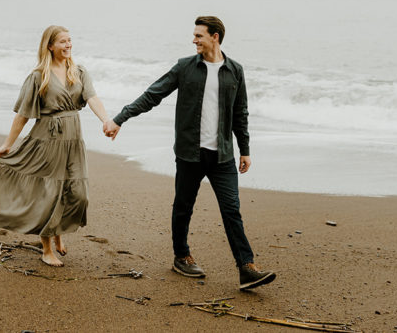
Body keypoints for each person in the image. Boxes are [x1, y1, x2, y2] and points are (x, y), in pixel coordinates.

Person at [102, 16, 276, 290]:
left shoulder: (235, 71)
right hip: (189, 153)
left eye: (199, 35)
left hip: (222, 156)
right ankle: (181, 256)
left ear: (215, 37)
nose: (194, 39)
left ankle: (246, 268)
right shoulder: (185, 67)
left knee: (232, 210)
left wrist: (245, 149)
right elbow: (153, 95)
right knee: (183, 207)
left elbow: (240, 113)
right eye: (194, 35)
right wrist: (120, 118)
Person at [0, 25, 109, 267]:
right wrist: (8, 144)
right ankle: (46, 249)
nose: (68, 45)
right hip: (47, 140)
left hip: (73, 140)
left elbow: (92, 98)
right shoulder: (38, 76)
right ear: (50, 46)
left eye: (70, 40)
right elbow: (22, 115)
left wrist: (106, 121)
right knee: (48, 194)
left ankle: (59, 231)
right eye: (63, 41)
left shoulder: (79, 71)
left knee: (78, 194)